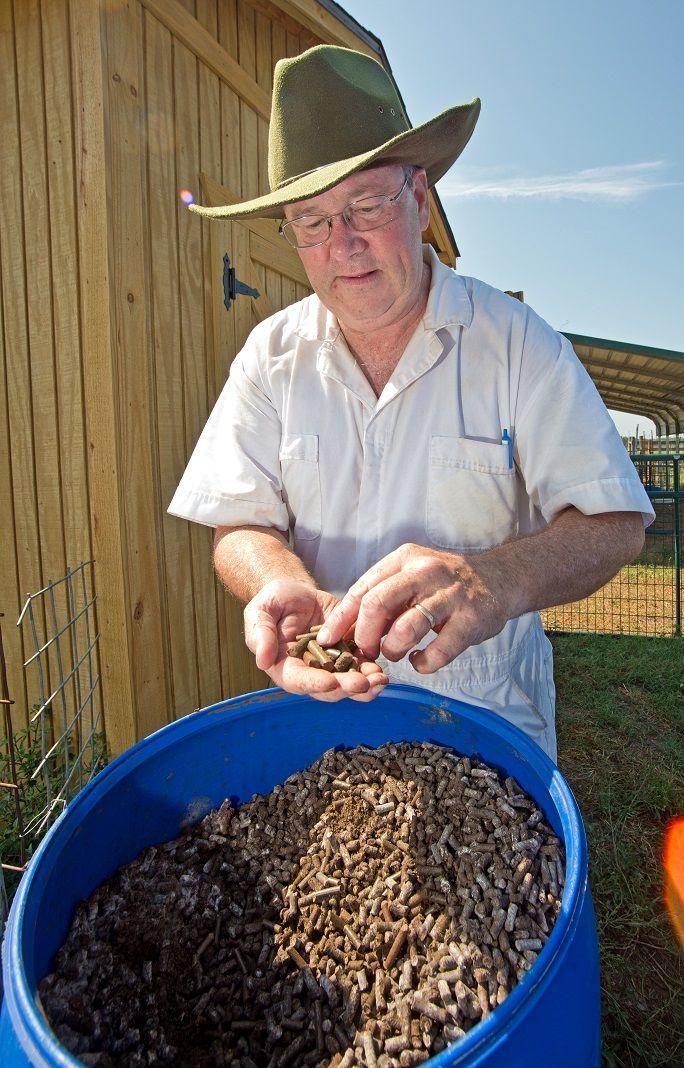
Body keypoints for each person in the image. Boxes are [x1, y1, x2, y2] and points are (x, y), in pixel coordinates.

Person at [169, 45, 654, 761]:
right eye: (311, 221)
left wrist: (495, 578)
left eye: (366, 204)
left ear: (419, 202)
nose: (343, 244)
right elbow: (239, 523)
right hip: (325, 737)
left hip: (487, 735)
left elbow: (615, 524)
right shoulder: (271, 357)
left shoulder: (519, 345)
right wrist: (280, 584)